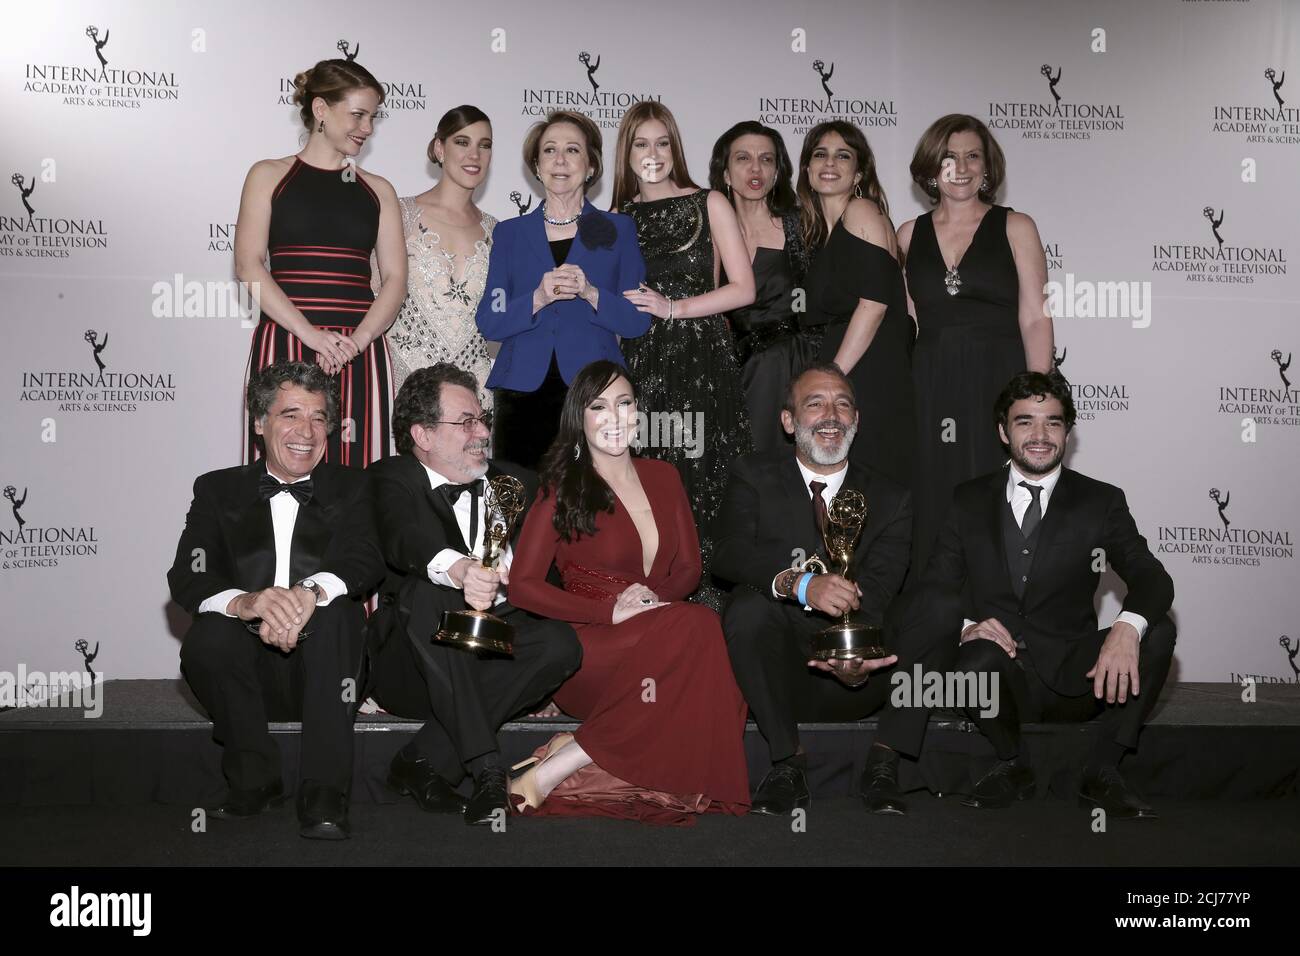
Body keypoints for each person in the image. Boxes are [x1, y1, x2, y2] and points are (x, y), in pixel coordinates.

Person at [919, 371, 1175, 818]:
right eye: (1025, 422)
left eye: (1052, 422)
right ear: (1004, 432)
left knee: (1157, 631)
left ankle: (1102, 771)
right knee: (974, 655)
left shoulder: (1101, 501)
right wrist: (967, 627)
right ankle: (1012, 764)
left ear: (1067, 432)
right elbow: (934, 588)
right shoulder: (967, 499)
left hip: (1080, 676)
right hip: (999, 679)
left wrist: (1126, 627)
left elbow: (1152, 577)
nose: (1040, 435)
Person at [507, 361, 750, 822]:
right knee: (700, 625)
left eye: (624, 404)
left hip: (661, 633)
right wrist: (611, 612)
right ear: (579, 417)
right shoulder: (560, 486)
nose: (615, 417)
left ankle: (563, 760)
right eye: (599, 406)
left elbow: (690, 568)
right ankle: (554, 768)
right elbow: (522, 587)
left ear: (638, 412)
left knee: (695, 626)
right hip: (593, 645)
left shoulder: (664, 475)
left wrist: (650, 601)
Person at [715, 363, 952, 816]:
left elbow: (879, 589)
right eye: (815, 404)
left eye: (843, 405)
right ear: (788, 422)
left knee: (940, 604)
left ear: (856, 421)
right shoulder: (753, 474)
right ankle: (788, 761)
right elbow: (728, 555)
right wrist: (801, 584)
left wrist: (853, 658)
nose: (831, 415)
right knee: (745, 608)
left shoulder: (892, 497)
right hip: (784, 673)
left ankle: (886, 759)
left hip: (869, 672)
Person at [167, 361, 384, 840]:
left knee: (338, 615)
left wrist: (310, 592)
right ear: (259, 423)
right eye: (291, 415)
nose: (307, 431)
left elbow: (366, 559)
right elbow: (189, 574)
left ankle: (324, 792)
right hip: (248, 675)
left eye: (319, 417)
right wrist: (248, 603)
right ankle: (253, 779)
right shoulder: (217, 489)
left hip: (329, 667)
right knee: (210, 635)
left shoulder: (355, 487)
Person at [365, 364, 581, 826]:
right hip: (417, 665)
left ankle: (420, 761)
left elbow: (552, 577)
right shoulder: (392, 478)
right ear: (423, 434)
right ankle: (487, 769)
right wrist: (460, 570)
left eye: (482, 419)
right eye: (466, 422)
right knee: (429, 592)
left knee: (561, 643)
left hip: (490, 655)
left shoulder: (518, 484)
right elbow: (402, 538)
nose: (482, 431)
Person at [613, 102, 756, 609]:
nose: (652, 153)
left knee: (705, 477)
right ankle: (655, 605)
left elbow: (744, 289)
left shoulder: (709, 202)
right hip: (641, 365)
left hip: (702, 362)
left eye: (662, 142)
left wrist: (674, 308)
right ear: (627, 152)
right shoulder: (617, 219)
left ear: (674, 148)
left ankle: (712, 609)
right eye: (641, 144)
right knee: (652, 478)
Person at [899, 114, 1054, 577]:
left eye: (973, 156)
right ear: (931, 167)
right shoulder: (907, 235)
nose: (961, 167)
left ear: (988, 168)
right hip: (930, 383)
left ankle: (1000, 602)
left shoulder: (1016, 226)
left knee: (996, 491)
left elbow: (1035, 316)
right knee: (934, 492)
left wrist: (1034, 398)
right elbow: (907, 322)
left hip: (999, 379)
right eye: (949, 157)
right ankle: (937, 604)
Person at [236, 58, 407, 468]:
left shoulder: (379, 190)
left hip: (359, 350)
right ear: (320, 110)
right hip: (286, 343)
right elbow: (248, 266)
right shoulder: (268, 175)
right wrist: (310, 335)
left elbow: (396, 279)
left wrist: (357, 342)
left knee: (358, 476)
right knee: (278, 471)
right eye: (358, 115)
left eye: (373, 118)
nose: (368, 128)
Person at [475, 110, 648, 470]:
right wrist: (537, 298)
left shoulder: (618, 230)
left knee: (592, 496)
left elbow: (636, 321)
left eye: (572, 150)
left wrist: (592, 293)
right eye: (549, 150)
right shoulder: (510, 234)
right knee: (518, 494)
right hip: (521, 393)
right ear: (536, 166)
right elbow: (491, 321)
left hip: (596, 393)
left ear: (591, 165)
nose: (560, 160)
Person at [797, 121, 914, 490]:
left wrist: (831, 377)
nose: (830, 163)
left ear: (859, 173)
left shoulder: (861, 211)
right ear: (807, 170)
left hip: (868, 369)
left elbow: (875, 304)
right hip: (853, 368)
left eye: (843, 156)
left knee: (872, 479)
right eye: (821, 154)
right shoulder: (822, 235)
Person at [709, 120, 819, 454]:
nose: (755, 169)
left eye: (766, 159)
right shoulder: (708, 236)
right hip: (740, 372)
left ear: (776, 172)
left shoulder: (803, 225)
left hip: (798, 365)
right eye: (743, 158)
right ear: (725, 173)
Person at [387, 106, 498, 399]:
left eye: (484, 145)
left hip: (474, 391)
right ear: (439, 148)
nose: (474, 155)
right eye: (462, 142)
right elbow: (372, 299)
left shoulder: (497, 231)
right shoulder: (400, 214)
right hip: (405, 384)